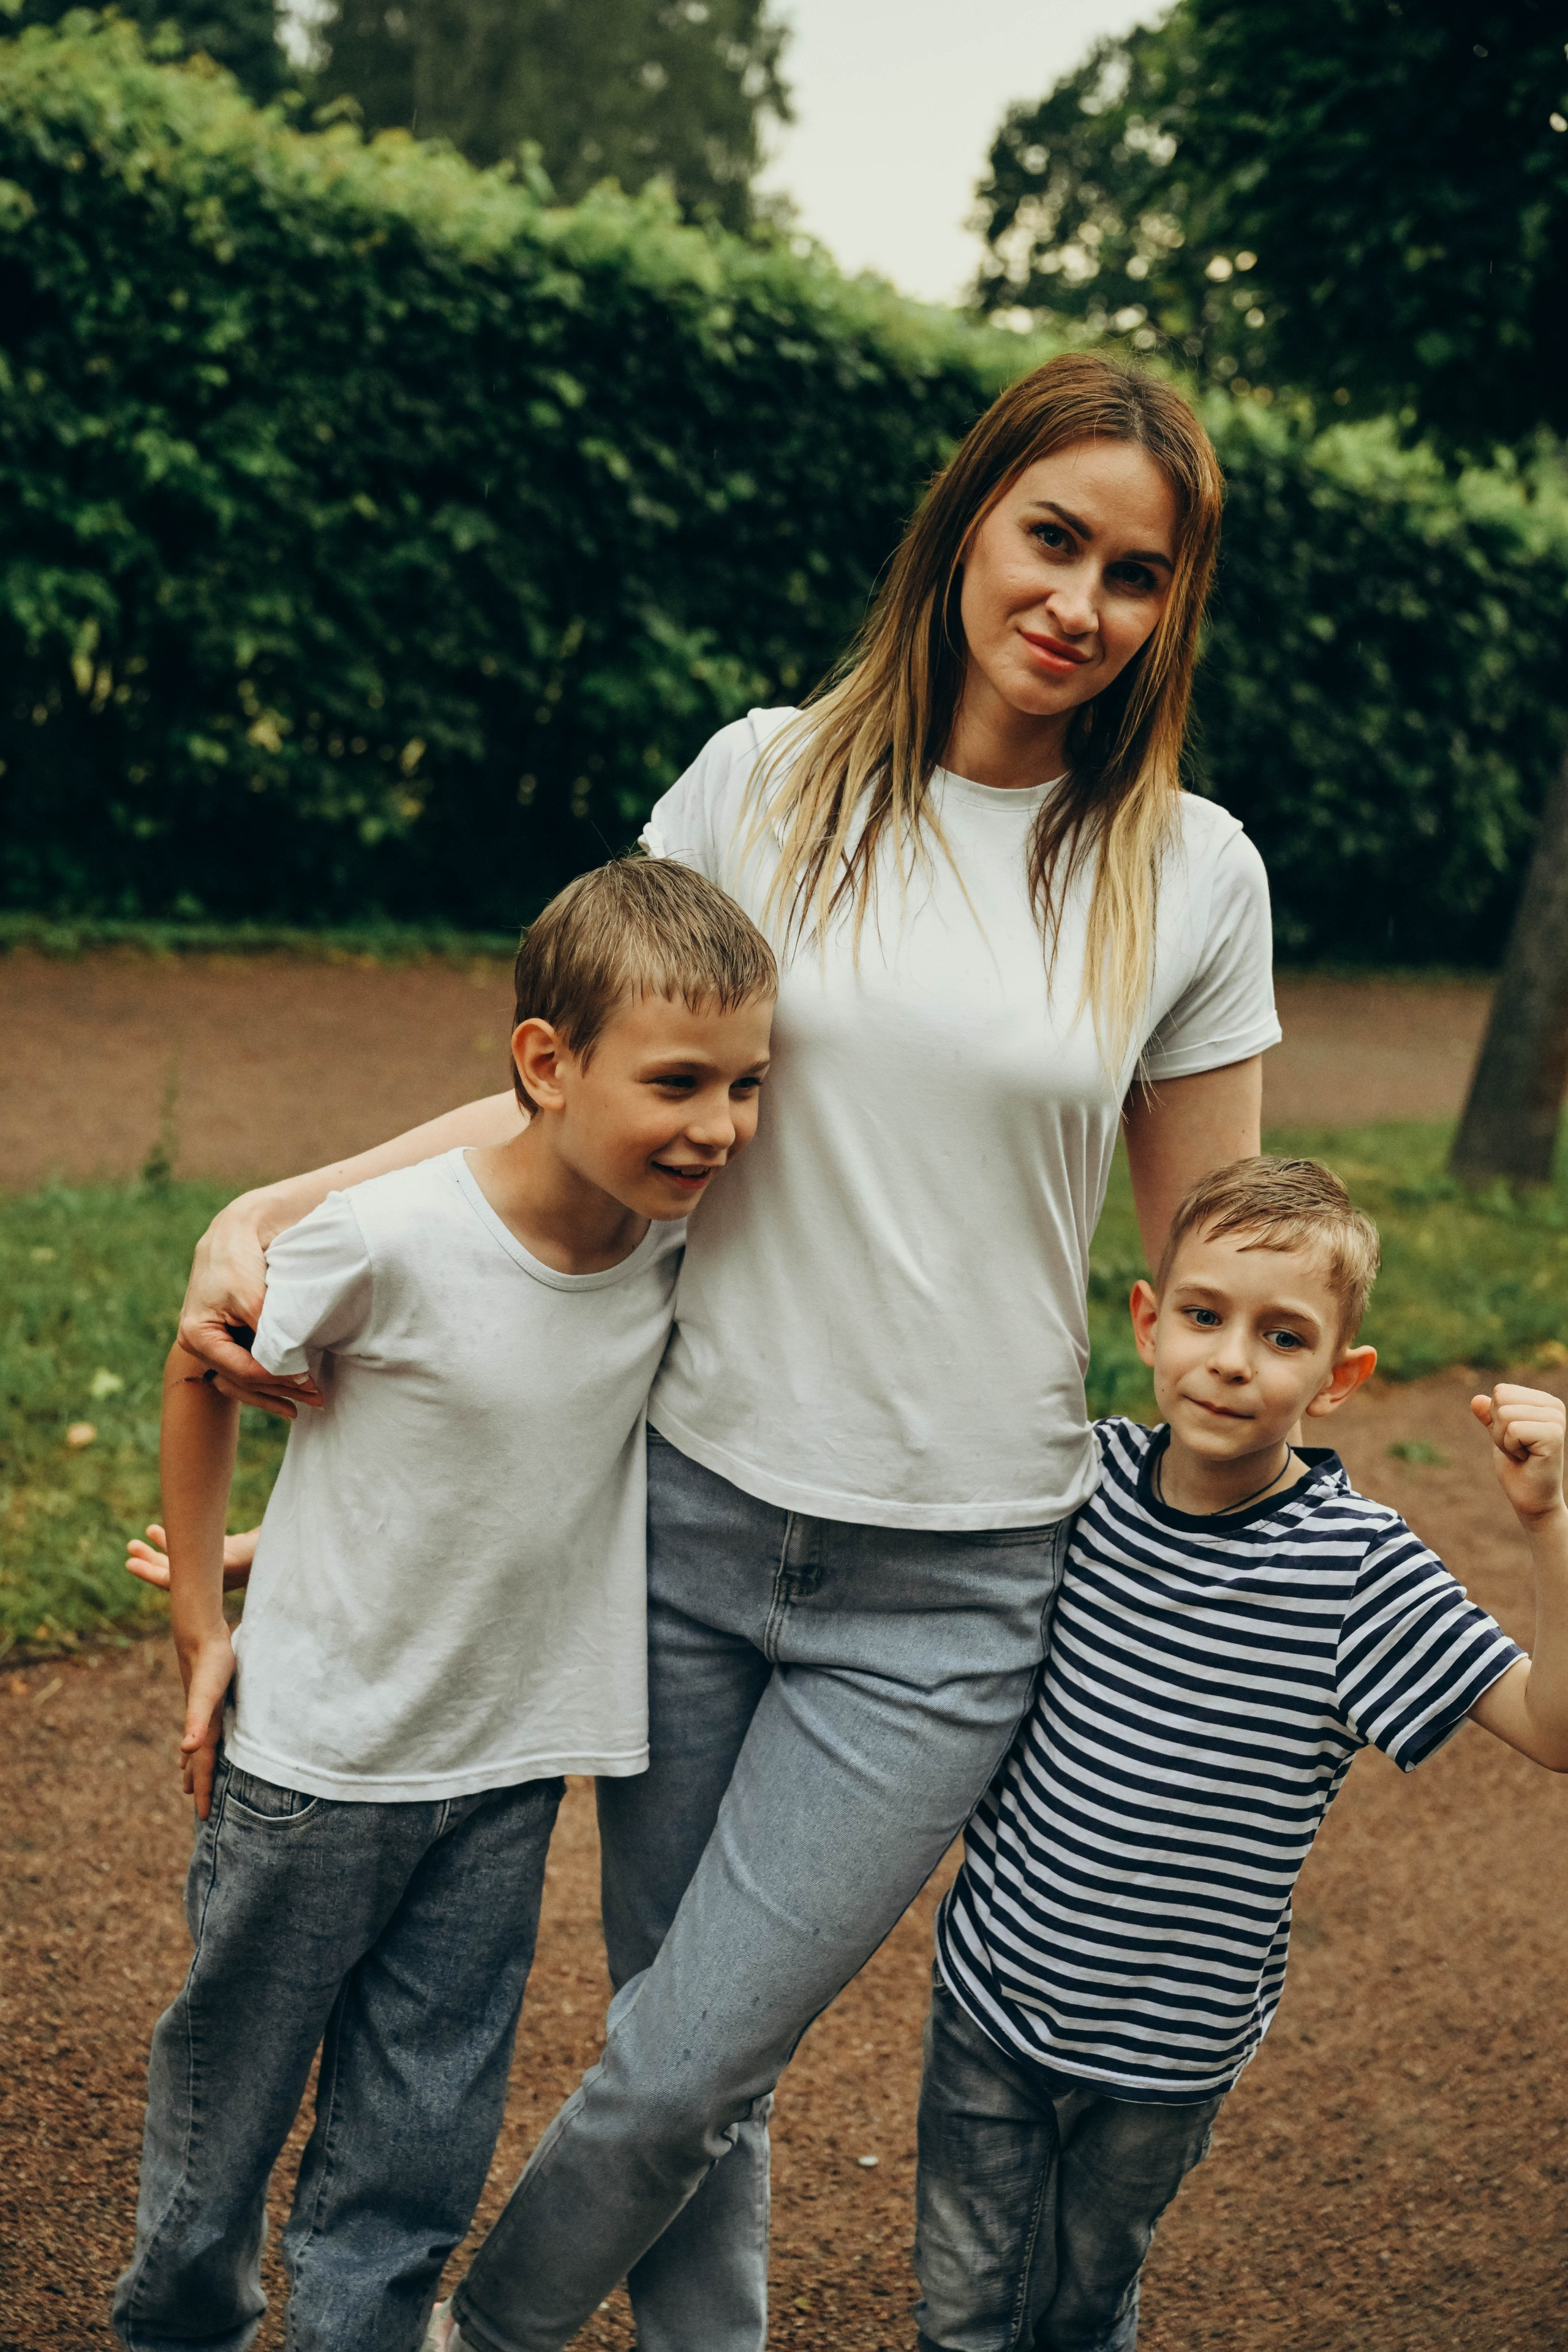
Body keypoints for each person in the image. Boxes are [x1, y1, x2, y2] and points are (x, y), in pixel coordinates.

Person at [174, 352, 1282, 2352]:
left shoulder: (1191, 874)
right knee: (704, 2081)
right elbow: (570, 1109)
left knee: (683, 2064)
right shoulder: (759, 780)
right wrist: (279, 1206)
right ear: (968, 528)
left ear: (1164, 615)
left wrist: (1286, 1530)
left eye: (1136, 575)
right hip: (677, 1519)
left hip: (958, 1576)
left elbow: (1227, 1259)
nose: (1080, 604)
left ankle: (472, 2332)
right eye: (1054, 538)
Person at [111, 861, 777, 2352]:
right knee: (233, 2095)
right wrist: (207, 1628)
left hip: (507, 1767)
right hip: (315, 1769)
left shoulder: (679, 1246)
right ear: (546, 1065)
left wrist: (262, 1546)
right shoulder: (389, 1236)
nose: (722, 1127)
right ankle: (181, 2319)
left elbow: (493, 1455)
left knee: (417, 2142)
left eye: (746, 1085)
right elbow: (202, 1361)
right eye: (679, 1082)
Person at [919, 1155, 1568, 2352]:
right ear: (1147, 1320)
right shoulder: (1078, 1481)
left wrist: (1548, 1526)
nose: (1228, 1358)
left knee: (1076, 2313)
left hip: (1167, 2052)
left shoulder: (1355, 1571)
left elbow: (1550, 1731)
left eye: (1281, 1337)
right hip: (990, 2003)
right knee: (960, 2318)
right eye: (1204, 1316)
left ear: (1338, 1379)